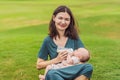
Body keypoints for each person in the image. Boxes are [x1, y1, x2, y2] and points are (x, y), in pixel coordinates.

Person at [36, 5, 93, 80]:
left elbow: (84, 58)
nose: (63, 22)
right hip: (57, 72)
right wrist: (57, 60)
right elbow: (39, 65)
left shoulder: (74, 38)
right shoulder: (48, 41)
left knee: (88, 67)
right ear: (54, 18)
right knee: (51, 73)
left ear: (70, 21)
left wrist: (72, 62)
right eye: (60, 18)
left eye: (67, 19)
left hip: (71, 72)